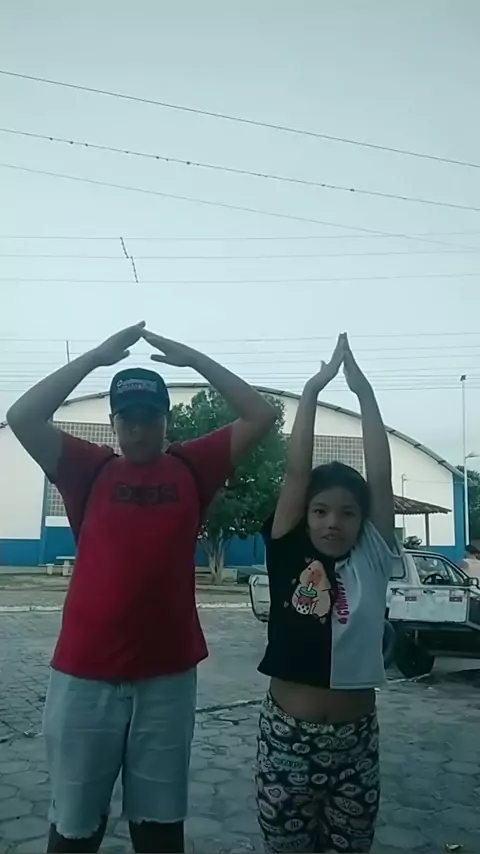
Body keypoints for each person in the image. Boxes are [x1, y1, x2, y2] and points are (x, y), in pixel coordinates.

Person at [7, 322, 277, 854]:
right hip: (85, 677)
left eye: (149, 416)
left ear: (164, 420)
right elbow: (23, 416)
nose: (137, 428)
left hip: (166, 679)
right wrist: (95, 357)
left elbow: (260, 415)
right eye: (126, 417)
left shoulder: (192, 467)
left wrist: (193, 358)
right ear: (113, 423)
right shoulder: (88, 468)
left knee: (159, 830)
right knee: (74, 827)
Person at [255, 333, 400, 854]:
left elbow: (379, 476)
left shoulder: (373, 557)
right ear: (306, 515)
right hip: (287, 739)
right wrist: (313, 391)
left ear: (363, 520)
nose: (332, 522)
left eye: (346, 512)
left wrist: (364, 393)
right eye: (320, 511)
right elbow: (298, 470)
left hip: (355, 743)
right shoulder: (289, 550)